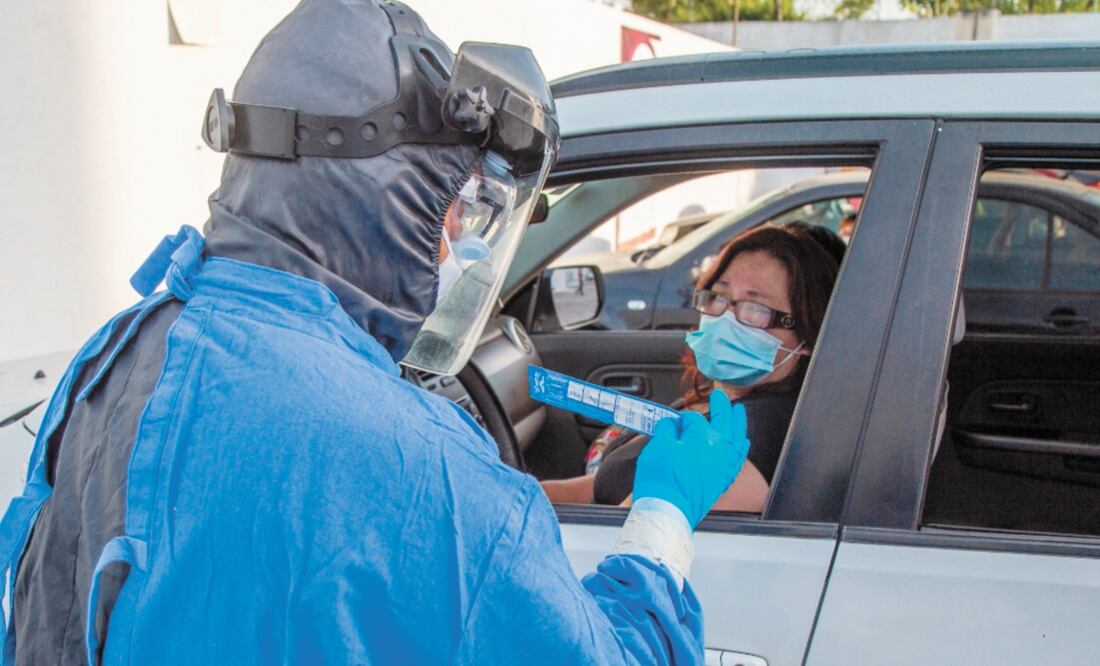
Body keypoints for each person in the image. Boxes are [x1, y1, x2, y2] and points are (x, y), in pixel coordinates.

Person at [0, 2, 747, 664]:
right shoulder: (418, 467)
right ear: (388, 201)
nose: (464, 244)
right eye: (454, 211)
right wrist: (662, 519)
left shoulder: (111, 358)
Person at [542, 223, 843, 512]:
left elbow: (631, 532)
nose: (726, 318)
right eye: (719, 297)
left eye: (755, 308)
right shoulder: (723, 404)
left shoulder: (750, 437)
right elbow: (596, 489)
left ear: (807, 336)